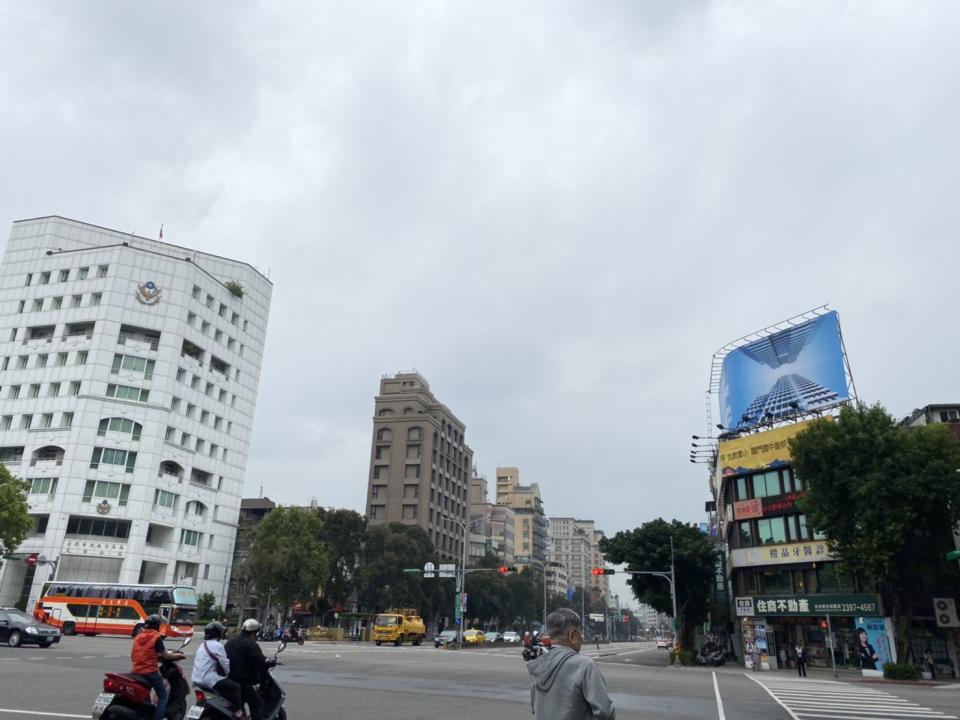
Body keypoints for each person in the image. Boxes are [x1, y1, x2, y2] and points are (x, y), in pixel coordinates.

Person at [527, 608, 615, 720]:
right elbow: (606, 713)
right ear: (572, 636)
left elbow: (535, 707)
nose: (582, 639)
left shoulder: (538, 665)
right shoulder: (585, 665)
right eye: (580, 634)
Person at [130, 614, 186, 720]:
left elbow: (135, 654)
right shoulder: (156, 637)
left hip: (135, 671)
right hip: (149, 672)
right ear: (157, 626)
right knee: (162, 696)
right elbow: (165, 655)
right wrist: (178, 655)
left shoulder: (138, 636)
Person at [192, 621, 243, 719]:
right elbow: (224, 664)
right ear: (218, 633)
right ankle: (237, 712)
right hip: (208, 679)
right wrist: (227, 674)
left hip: (196, 679)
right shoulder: (217, 646)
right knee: (236, 687)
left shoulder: (202, 645)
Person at [226, 619, 273, 720]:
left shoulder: (230, 642)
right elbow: (260, 660)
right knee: (257, 704)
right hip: (243, 682)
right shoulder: (251, 645)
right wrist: (269, 662)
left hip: (228, 679)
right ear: (253, 633)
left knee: (241, 702)